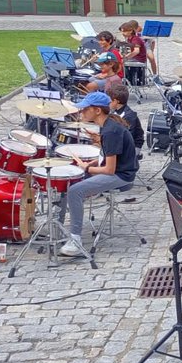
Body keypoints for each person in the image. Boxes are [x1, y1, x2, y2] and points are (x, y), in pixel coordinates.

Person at [59, 91, 139, 257]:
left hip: (121, 176)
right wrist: (92, 163)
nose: (81, 112)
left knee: (75, 190)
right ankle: (60, 229)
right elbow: (108, 156)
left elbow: (110, 170)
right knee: (68, 181)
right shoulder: (107, 125)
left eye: (84, 109)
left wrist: (86, 168)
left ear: (97, 111)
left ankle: (75, 241)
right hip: (116, 170)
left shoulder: (111, 131)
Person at [106, 84, 144, 155]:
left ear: (115, 101)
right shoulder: (114, 111)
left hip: (132, 146)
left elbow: (126, 138)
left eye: (109, 101)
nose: (107, 103)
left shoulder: (129, 116)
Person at [120, 20, 148, 86]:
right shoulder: (129, 38)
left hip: (139, 59)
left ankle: (125, 80)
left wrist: (126, 57)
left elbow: (136, 51)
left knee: (120, 62)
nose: (122, 33)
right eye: (122, 31)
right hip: (135, 58)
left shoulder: (136, 39)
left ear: (130, 31)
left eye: (124, 31)